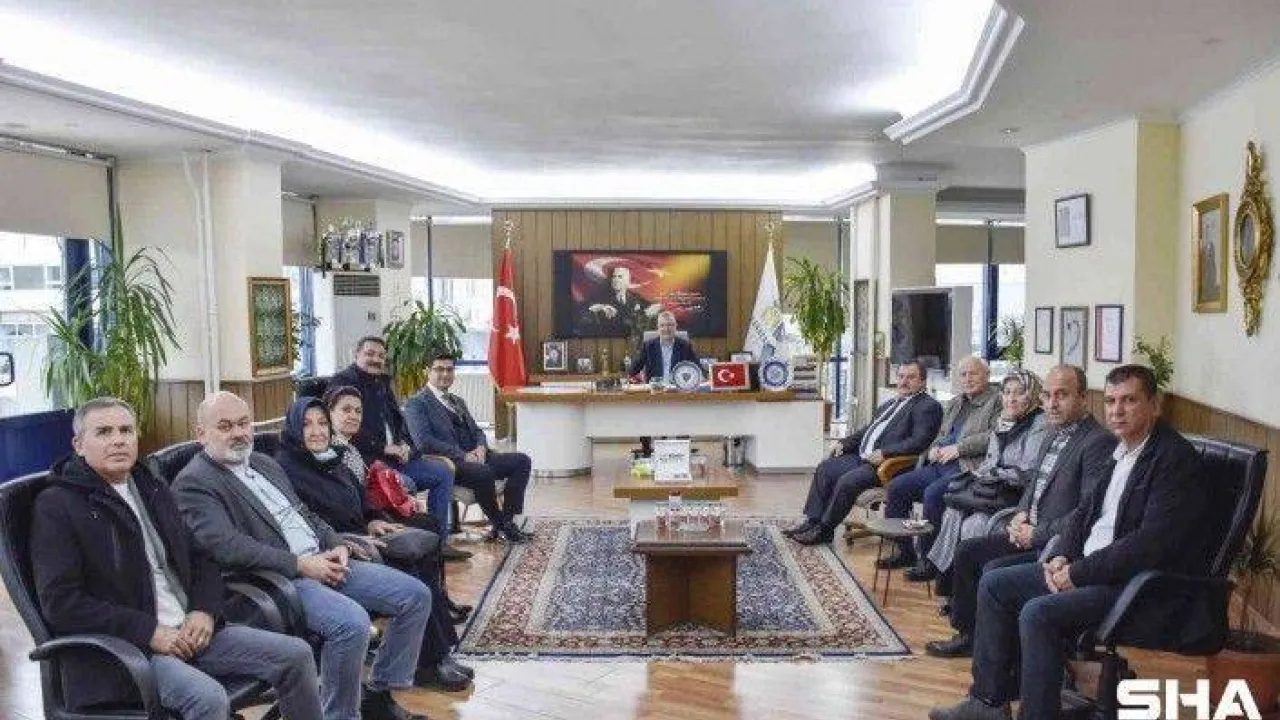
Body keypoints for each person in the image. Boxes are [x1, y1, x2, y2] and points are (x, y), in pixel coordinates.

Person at [929, 365, 1207, 720]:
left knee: (1037, 613)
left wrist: (1077, 572)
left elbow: (1147, 546)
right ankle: (988, 703)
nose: (1117, 411)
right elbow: (1084, 514)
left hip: (1132, 586)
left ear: (1154, 404)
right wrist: (1061, 553)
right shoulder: (1123, 450)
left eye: (1129, 401)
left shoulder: (1172, 459)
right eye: (1111, 401)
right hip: (1091, 568)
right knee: (995, 584)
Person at [30, 398, 322, 720]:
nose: (118, 440)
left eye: (126, 431)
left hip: (191, 631)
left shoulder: (150, 486)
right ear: (78, 445)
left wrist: (204, 610)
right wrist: (149, 631)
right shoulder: (57, 506)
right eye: (104, 432)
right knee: (207, 698)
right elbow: (62, 603)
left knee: (296, 655)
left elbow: (201, 558)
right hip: (126, 653)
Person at [173, 391, 432, 720]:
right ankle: (341, 715)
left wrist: (335, 542)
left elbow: (304, 513)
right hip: (279, 580)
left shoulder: (264, 464)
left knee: (415, 596)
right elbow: (227, 547)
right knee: (352, 623)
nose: (238, 433)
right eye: (225, 426)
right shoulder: (195, 482)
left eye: (243, 423)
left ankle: (378, 695)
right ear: (201, 434)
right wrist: (301, 565)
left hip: (323, 559)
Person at [274, 395, 474, 692]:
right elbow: (307, 523)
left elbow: (359, 496)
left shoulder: (331, 458)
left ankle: (438, 652)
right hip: (338, 548)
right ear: (293, 428)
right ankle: (429, 663)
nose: (317, 431)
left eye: (322, 424)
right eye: (307, 425)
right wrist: (350, 538)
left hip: (360, 534)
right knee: (409, 568)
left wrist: (372, 519)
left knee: (422, 550)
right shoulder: (287, 468)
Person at [925, 364, 1115, 659]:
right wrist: (1021, 514)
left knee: (992, 570)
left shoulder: (1097, 442)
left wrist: (1035, 533)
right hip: (1029, 529)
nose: (1052, 403)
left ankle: (1002, 653)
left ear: (1083, 398)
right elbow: (1034, 483)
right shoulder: (1054, 434)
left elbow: (1086, 512)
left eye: (1062, 395)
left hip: (1057, 544)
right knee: (967, 552)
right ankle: (968, 635)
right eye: (1048, 396)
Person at [784, 359, 943, 546]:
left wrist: (885, 453)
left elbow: (919, 442)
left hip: (888, 465)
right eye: (901, 376)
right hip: (863, 458)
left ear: (922, 381)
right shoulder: (890, 404)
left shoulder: (928, 406)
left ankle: (825, 530)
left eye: (911, 377)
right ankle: (812, 522)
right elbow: (867, 431)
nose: (904, 381)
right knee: (825, 469)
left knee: (847, 481)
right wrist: (843, 443)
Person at [924, 371, 1047, 597]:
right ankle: (951, 587)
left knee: (974, 524)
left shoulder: (1039, 424)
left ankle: (972, 595)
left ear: (1032, 395)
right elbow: (990, 461)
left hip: (1017, 500)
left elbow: (1028, 472)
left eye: (1019, 393)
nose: (1011, 399)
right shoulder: (1003, 421)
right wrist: (982, 473)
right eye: (1007, 393)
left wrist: (992, 473)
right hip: (992, 492)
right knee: (952, 511)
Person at [879, 356, 1002, 580]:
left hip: (967, 469)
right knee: (897, 487)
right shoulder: (955, 402)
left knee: (933, 494)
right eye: (963, 374)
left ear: (987, 375)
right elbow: (941, 434)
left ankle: (930, 562)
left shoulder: (997, 402)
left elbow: (994, 435)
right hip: (939, 464)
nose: (968, 379)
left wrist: (960, 448)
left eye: (973, 373)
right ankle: (905, 552)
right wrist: (935, 448)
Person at [404, 352, 534, 544]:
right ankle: (500, 525)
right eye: (439, 369)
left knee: (521, 461)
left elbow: (477, 430)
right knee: (483, 472)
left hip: (477, 456)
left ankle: (507, 522)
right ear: (427, 372)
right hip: (449, 462)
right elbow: (424, 442)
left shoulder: (457, 401)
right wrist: (463, 455)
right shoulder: (417, 403)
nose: (445, 374)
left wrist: (481, 447)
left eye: (449, 369)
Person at [330, 335, 456, 527]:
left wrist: (405, 444)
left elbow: (398, 420)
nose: (376, 359)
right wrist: (383, 447)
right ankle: (408, 538)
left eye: (381, 356)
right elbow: (343, 427)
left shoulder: (382, 382)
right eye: (370, 354)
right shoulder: (343, 382)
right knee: (406, 484)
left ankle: (438, 537)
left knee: (443, 472)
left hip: (396, 458)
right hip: (369, 461)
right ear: (356, 355)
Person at [581, 265, 659, 334]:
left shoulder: (635, 298)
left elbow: (652, 306)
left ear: (627, 281)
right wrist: (599, 308)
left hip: (634, 338)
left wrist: (655, 308)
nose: (615, 279)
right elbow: (584, 313)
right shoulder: (601, 297)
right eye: (614, 276)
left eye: (620, 277)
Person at [627, 310, 699, 383]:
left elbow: (698, 368)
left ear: (675, 327)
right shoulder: (648, 346)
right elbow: (633, 370)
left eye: (670, 325)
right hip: (655, 388)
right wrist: (630, 378)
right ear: (658, 328)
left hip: (677, 388)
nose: (666, 329)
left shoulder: (685, 346)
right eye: (662, 325)